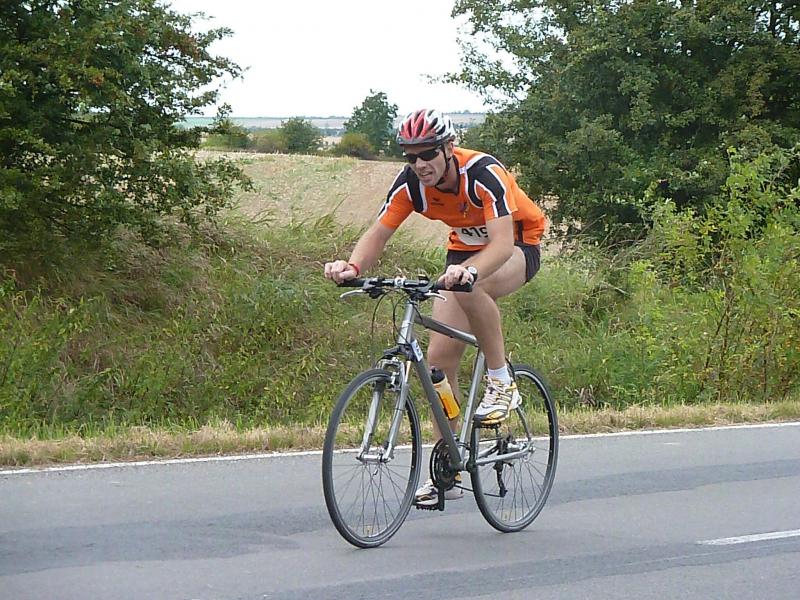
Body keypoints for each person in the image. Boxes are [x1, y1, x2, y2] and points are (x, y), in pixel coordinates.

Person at [324, 108, 546, 507]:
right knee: (439, 364)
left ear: (449, 148)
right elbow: (379, 233)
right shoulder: (412, 183)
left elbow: (500, 245)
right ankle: (449, 466)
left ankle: (501, 381)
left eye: (428, 154)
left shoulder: (483, 173)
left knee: (472, 286)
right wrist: (352, 267)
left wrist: (471, 271)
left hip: (515, 245)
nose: (420, 164)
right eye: (411, 156)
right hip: (462, 254)